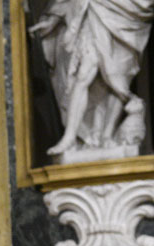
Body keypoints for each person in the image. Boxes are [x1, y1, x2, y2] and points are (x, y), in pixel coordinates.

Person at [28, 0, 154, 156]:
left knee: (119, 75)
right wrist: (54, 18)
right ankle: (69, 137)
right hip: (96, 7)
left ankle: (106, 135)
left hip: (130, 13)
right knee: (84, 72)